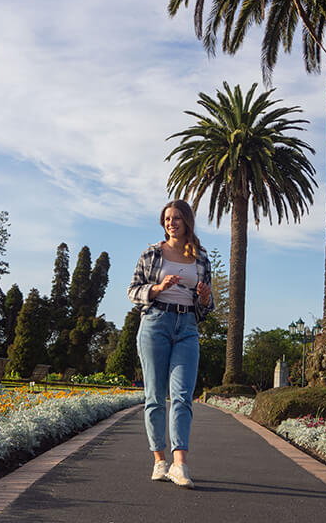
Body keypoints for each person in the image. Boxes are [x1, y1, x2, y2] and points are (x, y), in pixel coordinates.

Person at [128, 199, 214, 488]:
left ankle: (180, 465)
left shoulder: (201, 258)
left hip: (187, 326)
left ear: (187, 221)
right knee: (154, 396)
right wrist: (158, 288)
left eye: (177, 218)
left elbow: (206, 307)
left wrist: (204, 297)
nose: (171, 222)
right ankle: (159, 460)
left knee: (182, 396)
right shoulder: (151, 253)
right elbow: (133, 291)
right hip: (155, 324)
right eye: (167, 218)